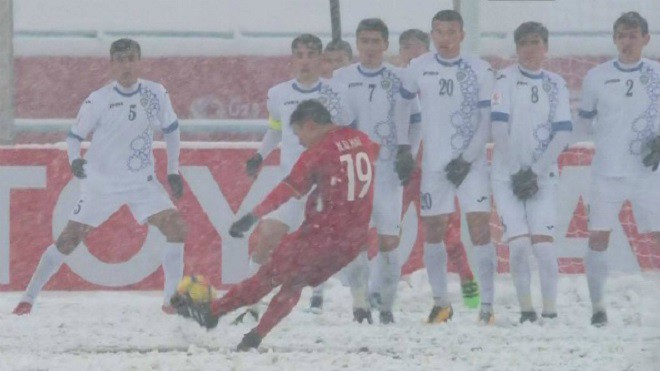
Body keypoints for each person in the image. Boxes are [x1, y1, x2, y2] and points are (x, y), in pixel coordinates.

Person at [173, 100, 378, 351]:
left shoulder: (318, 152)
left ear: (310, 125)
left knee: (267, 278)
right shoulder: (362, 140)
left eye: (298, 133)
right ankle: (255, 336)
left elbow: (288, 189)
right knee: (294, 283)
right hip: (353, 241)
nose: (300, 141)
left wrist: (252, 215)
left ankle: (213, 312)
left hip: (322, 236)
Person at [13, 39, 187, 315]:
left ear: (139, 62)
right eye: (120, 61)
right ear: (111, 65)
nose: (126, 66)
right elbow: (74, 137)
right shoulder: (99, 99)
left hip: (141, 182)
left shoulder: (156, 93)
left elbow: (172, 129)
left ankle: (171, 301)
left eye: (131, 59)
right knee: (68, 240)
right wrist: (75, 160)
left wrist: (173, 170)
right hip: (101, 185)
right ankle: (27, 298)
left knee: (176, 228)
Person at [238, 34, 353, 322]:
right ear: (293, 59)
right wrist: (259, 155)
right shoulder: (278, 94)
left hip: (327, 185)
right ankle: (250, 303)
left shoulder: (336, 93)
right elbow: (276, 129)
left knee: (326, 243)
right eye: (299, 54)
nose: (305, 60)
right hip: (292, 184)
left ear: (320, 59)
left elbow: (347, 133)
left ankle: (323, 298)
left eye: (311, 54)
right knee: (266, 237)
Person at [398, 10, 496, 324]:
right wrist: (404, 148)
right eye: (439, 32)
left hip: (471, 165)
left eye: (451, 32)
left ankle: (487, 307)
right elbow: (403, 107)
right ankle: (441, 303)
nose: (445, 38)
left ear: (462, 35)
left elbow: (486, 120)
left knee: (479, 229)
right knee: (434, 231)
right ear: (433, 34)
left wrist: (467, 159)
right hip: (435, 167)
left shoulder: (480, 69)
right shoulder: (418, 68)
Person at [327, 18, 417, 324]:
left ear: (385, 45)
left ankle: (387, 305)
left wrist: (409, 153)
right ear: (357, 44)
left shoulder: (401, 78)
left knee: (389, 242)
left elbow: (415, 121)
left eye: (375, 41)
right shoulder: (340, 78)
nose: (369, 47)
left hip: (389, 171)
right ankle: (360, 304)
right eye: (364, 41)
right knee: (356, 240)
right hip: (356, 172)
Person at [578, 11, 660, 327]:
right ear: (614, 39)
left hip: (648, 173)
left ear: (645, 39)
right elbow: (584, 122)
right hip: (607, 172)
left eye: (633, 35)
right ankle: (598, 307)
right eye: (622, 35)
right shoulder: (596, 77)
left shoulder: (656, 73)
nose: (627, 41)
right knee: (598, 238)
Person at [490, 22, 572, 324]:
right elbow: (498, 128)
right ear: (516, 47)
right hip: (506, 177)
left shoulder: (557, 83)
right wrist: (516, 171)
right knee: (520, 245)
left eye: (535, 42)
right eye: (523, 43)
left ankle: (550, 312)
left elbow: (563, 133)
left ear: (545, 47)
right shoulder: (505, 78)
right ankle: (526, 310)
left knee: (544, 249)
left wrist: (534, 173)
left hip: (542, 179)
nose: (529, 48)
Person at [309, 38, 354, 313]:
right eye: (330, 61)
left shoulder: (355, 89)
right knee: (321, 232)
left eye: (340, 61)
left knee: (359, 232)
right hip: (326, 171)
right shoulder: (321, 94)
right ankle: (318, 292)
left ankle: (363, 293)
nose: (334, 67)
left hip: (356, 166)